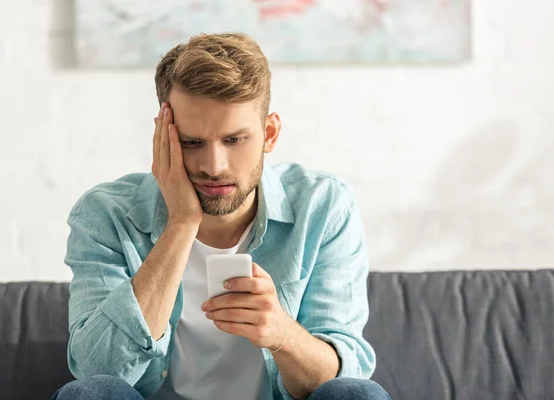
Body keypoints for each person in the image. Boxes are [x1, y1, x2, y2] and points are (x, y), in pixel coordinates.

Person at [51, 33, 391, 400]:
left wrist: (282, 335)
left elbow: (342, 377)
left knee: (357, 395)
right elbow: (96, 371)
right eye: (191, 142)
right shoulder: (106, 214)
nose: (214, 167)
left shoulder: (323, 206)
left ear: (269, 134)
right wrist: (181, 223)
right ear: (163, 138)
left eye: (234, 140)